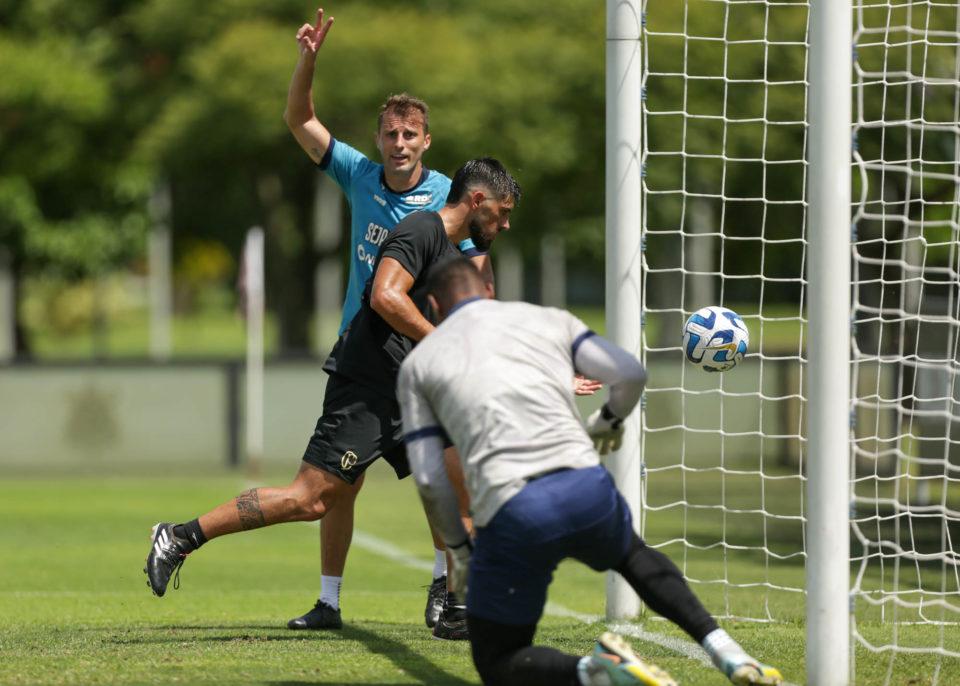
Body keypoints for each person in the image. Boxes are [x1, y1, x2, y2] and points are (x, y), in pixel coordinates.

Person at [143, 158, 521, 640]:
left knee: (459, 480)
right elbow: (385, 297)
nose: (505, 224)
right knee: (310, 500)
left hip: (411, 393)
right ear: (477, 201)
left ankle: (455, 606)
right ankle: (180, 537)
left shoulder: (449, 253)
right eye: (502, 212)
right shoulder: (421, 229)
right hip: (367, 389)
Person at [396, 256, 785, 686]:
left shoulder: (420, 363)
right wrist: (608, 420)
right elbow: (630, 374)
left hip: (513, 511)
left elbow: (431, 478)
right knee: (633, 557)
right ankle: (728, 652)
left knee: (498, 658)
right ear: (488, 291)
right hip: (585, 483)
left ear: (432, 305)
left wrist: (460, 551)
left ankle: (597, 671)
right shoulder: (546, 318)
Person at [281, 7, 494, 635]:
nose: (399, 144)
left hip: (424, 359)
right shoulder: (358, 174)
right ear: (379, 141)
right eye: (390, 134)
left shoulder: (447, 199)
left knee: (441, 477)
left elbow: (479, 273)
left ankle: (442, 589)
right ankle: (328, 602)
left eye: (410, 135)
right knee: (336, 488)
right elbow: (299, 118)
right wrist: (308, 63)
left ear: (427, 142)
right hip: (364, 352)